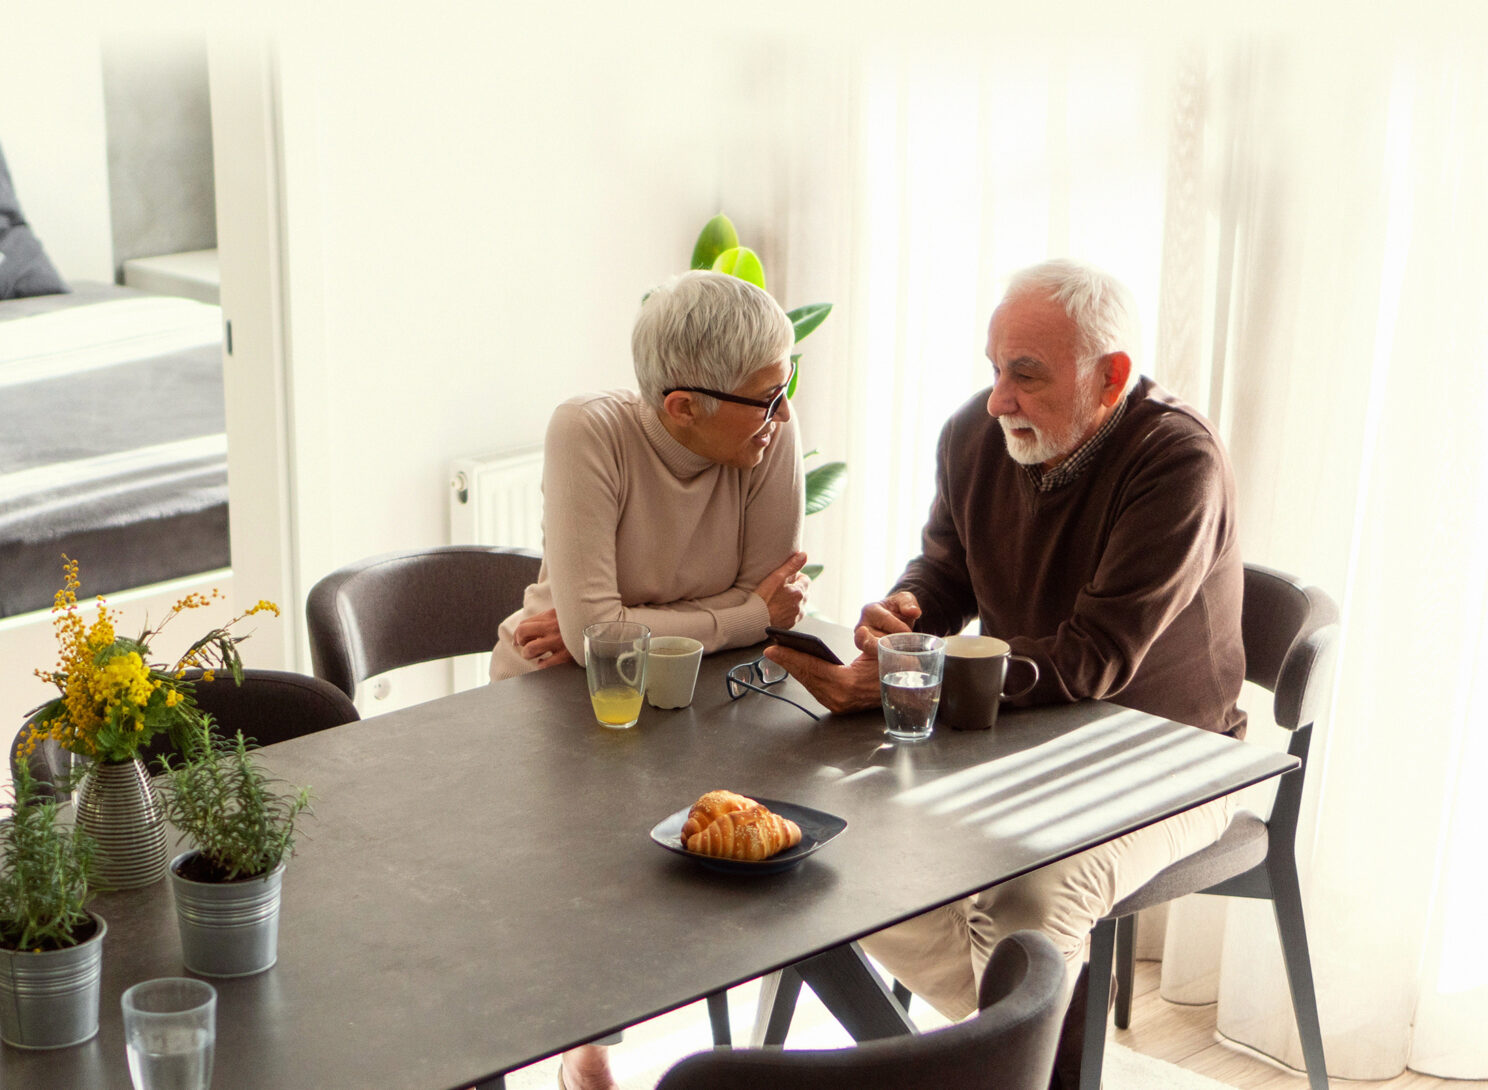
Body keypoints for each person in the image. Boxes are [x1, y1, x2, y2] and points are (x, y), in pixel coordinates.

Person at [764, 258, 1245, 1088]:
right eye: (994, 370)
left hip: (1175, 757)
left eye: (1026, 375)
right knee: (828, 846)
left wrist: (917, 677)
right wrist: (908, 618)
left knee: (1026, 900)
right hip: (1027, 735)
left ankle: (1019, 1054)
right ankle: (1027, 1055)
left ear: (1111, 378)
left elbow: (1095, 659)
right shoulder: (973, 436)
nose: (998, 400)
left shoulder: (1176, 461)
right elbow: (945, 572)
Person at [489, 269, 810, 1090]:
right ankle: (581, 1035)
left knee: (762, 848)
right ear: (682, 406)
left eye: (784, 389)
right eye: (765, 397)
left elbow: (766, 614)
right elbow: (595, 637)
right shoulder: (588, 432)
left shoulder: (766, 432)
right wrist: (725, 613)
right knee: (585, 864)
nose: (781, 413)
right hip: (556, 694)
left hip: (701, 694)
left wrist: (625, 628)